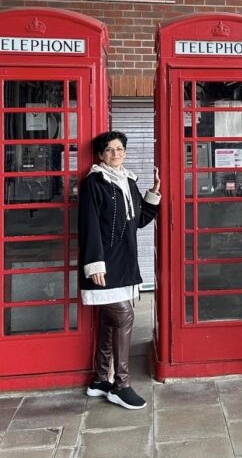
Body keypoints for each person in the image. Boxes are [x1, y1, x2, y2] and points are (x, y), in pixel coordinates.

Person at [78, 130, 161, 410]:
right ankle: (121, 385)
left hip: (125, 260)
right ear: (101, 155)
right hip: (104, 263)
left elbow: (137, 221)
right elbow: (88, 225)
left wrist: (154, 194)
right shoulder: (94, 182)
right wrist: (94, 263)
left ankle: (100, 379)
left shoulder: (127, 181)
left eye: (119, 149)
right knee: (124, 315)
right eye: (109, 150)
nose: (115, 154)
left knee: (109, 321)